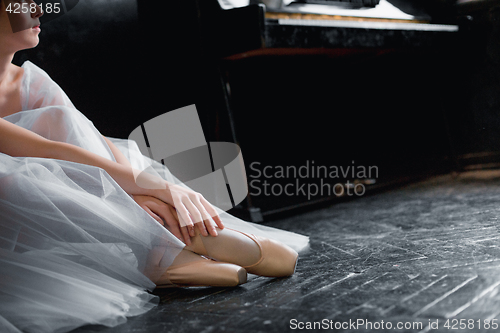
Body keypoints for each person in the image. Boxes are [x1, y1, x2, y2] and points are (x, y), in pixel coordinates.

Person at [0, 1, 309, 332]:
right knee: (11, 176)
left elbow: (93, 143)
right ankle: (165, 244)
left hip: (64, 203)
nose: (40, 9)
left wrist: (144, 192)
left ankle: (161, 249)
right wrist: (159, 190)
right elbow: (48, 151)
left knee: (61, 119)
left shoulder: (31, 80)